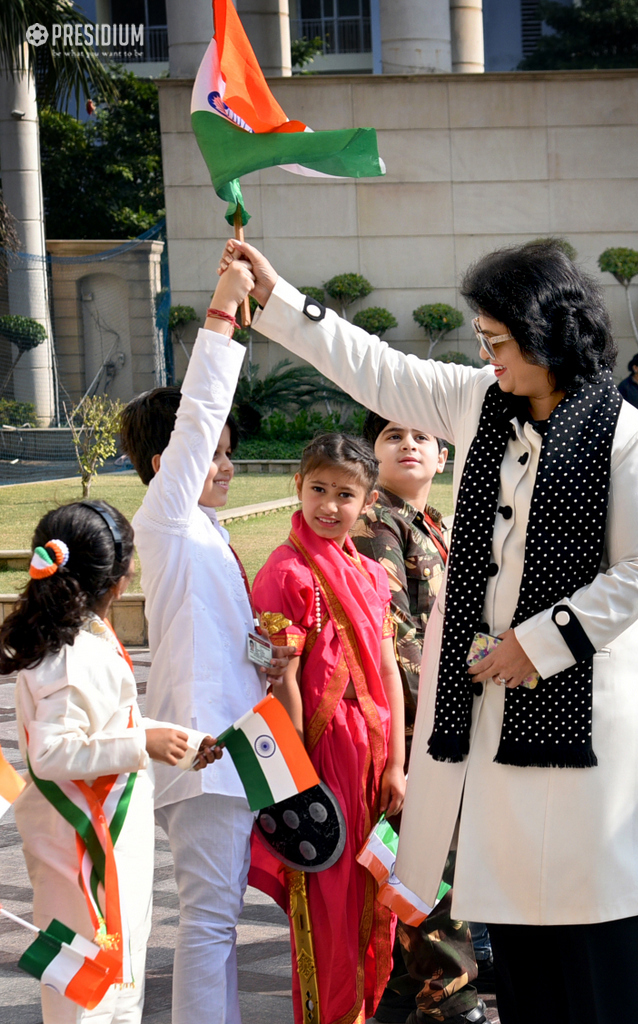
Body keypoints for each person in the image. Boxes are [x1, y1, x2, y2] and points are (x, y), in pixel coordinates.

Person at [221, 237, 638, 1024]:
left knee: (593, 933)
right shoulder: (478, 401)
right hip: (493, 723)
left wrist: (536, 642)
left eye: (498, 341)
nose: (486, 354)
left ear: (546, 337)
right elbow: (376, 368)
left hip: (586, 726)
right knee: (523, 938)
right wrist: (279, 298)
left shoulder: (624, 433)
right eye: (482, 341)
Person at [119, 255, 295, 1024]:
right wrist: (223, 313)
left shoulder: (208, 532)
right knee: (210, 920)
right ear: (167, 467)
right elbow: (197, 411)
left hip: (242, 745)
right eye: (213, 454)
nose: (224, 466)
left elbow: (224, 640)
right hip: (202, 750)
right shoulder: (165, 519)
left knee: (223, 917)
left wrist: (270, 657)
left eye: (226, 454)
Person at [1, 501, 217, 1024]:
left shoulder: (87, 636)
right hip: (78, 843)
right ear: (122, 577)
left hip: (109, 834)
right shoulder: (72, 655)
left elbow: (105, 728)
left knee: (121, 976)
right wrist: (143, 745)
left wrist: (178, 742)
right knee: (87, 992)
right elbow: (53, 752)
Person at [249, 433, 406, 1024]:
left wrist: (396, 764)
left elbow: (387, 666)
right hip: (322, 763)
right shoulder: (284, 573)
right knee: (327, 909)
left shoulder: (369, 575)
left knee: (373, 903)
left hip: (374, 762)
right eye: (318, 489)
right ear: (298, 486)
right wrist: (298, 777)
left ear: (366, 502)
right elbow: (281, 681)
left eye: (345, 494)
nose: (329, 505)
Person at [351, 415, 489, 1024]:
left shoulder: (429, 522)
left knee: (431, 860)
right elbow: (397, 637)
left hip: (442, 720)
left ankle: (407, 994)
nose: (408, 444)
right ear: (372, 454)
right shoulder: (378, 522)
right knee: (429, 862)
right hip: (416, 726)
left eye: (422, 438)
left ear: (442, 456)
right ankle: (448, 997)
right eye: (391, 436)